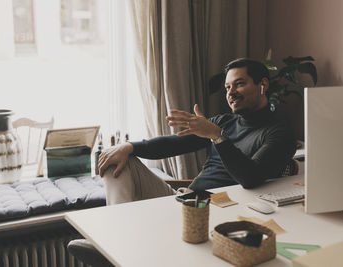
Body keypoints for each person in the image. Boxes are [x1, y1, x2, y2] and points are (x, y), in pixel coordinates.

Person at [67, 58, 296, 265]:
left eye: (239, 84)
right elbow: (173, 144)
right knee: (116, 158)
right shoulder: (224, 122)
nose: (231, 92)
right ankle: (116, 245)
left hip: (218, 211)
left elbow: (250, 177)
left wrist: (217, 136)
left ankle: (116, 252)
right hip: (184, 199)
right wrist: (130, 146)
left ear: (262, 85)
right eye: (227, 87)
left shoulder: (279, 134)